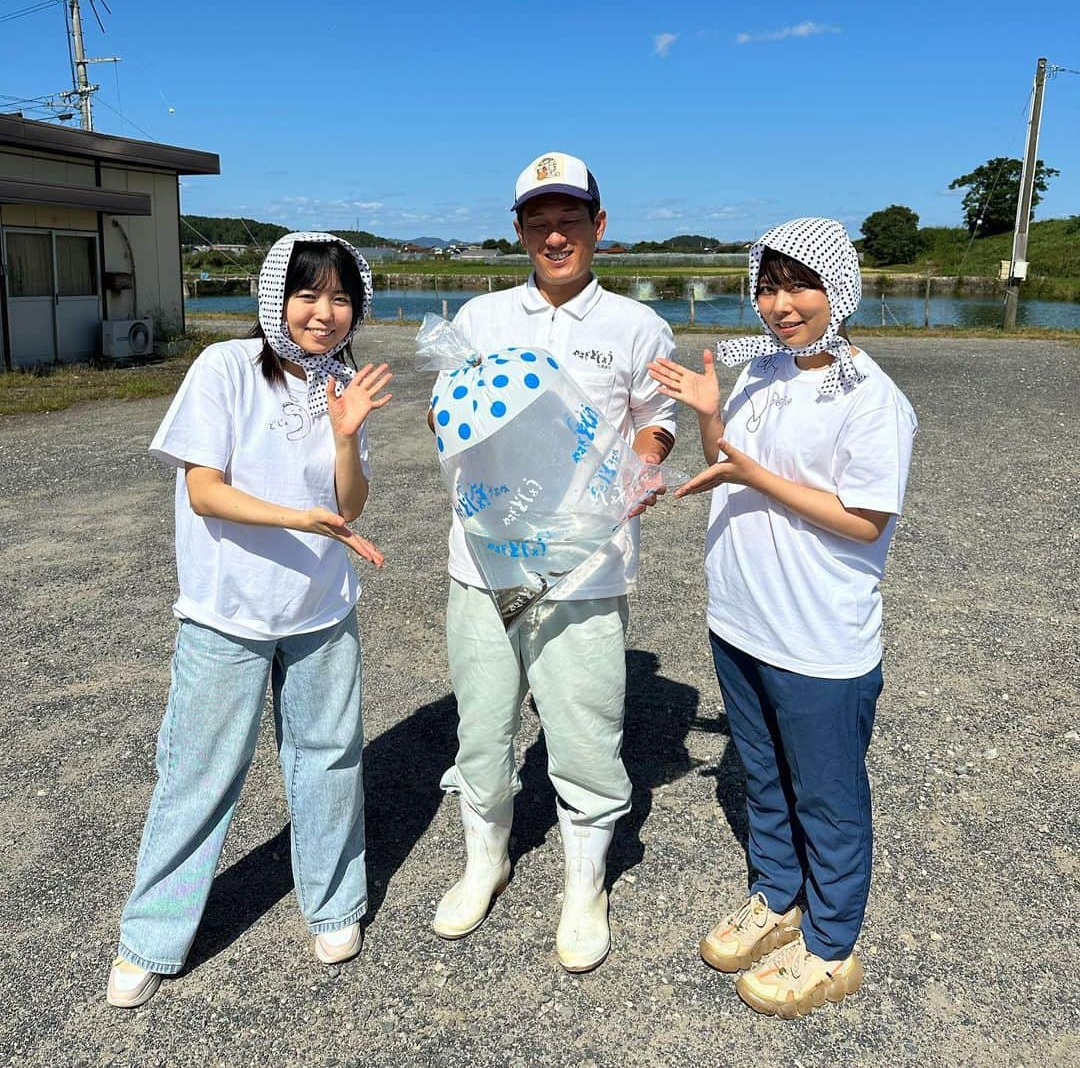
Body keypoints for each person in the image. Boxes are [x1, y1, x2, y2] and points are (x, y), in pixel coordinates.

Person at [106, 232, 392, 1009]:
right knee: (198, 775)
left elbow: (351, 506)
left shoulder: (342, 386)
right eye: (307, 294)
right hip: (225, 612)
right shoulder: (225, 369)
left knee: (328, 760)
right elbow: (205, 491)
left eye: (340, 298)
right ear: (275, 298)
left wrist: (344, 437)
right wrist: (298, 518)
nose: (323, 314)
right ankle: (153, 935)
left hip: (321, 611)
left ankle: (332, 904)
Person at [648, 217, 916, 1019]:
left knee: (828, 796)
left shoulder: (873, 400)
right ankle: (776, 896)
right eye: (766, 287)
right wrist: (705, 414)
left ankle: (832, 948)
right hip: (740, 614)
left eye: (799, 284)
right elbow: (730, 463)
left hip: (818, 634)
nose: (780, 304)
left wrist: (758, 477)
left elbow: (865, 519)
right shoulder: (762, 369)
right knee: (761, 775)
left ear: (840, 289)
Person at [429, 152, 677, 972]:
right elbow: (448, 419)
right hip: (484, 564)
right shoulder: (479, 318)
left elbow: (658, 415)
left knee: (585, 728)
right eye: (540, 219)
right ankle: (485, 860)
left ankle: (584, 885)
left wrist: (646, 462)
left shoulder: (637, 328)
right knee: (484, 724)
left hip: (585, 568)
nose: (556, 232)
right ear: (519, 231)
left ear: (600, 226)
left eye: (571, 216)